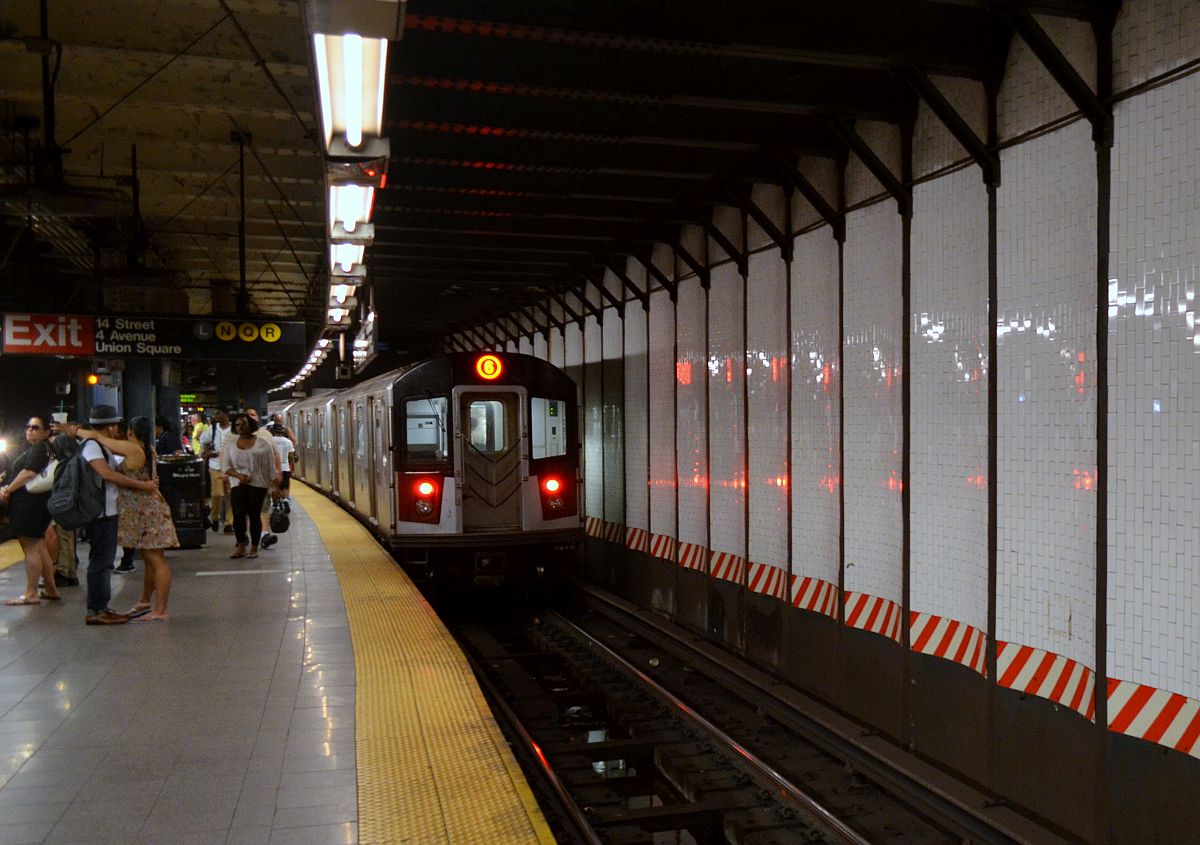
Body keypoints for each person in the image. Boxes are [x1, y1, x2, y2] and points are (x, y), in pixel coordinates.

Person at [82, 417, 178, 622]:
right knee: (151, 558)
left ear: (131, 432)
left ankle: (161, 610)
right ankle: (145, 601)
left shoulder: (133, 449)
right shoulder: (147, 448)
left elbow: (99, 439)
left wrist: (76, 431)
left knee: (156, 560)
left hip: (144, 511)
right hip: (148, 509)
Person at [75, 405, 156, 626]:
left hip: (107, 510)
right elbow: (106, 474)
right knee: (101, 562)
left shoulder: (99, 445)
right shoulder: (92, 446)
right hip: (101, 512)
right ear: (111, 426)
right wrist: (142, 485)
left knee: (104, 560)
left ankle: (101, 606)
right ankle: (96, 609)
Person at [0, 414, 61, 606]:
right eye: (28, 426)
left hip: (30, 505)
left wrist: (8, 490)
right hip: (36, 504)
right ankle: (51, 588)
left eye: (35, 427)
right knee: (40, 546)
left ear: (46, 431)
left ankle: (31, 593)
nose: (29, 430)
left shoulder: (40, 448)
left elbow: (28, 473)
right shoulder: (44, 448)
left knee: (31, 548)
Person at [220, 412, 279, 559]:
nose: (240, 427)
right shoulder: (231, 445)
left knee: (254, 515)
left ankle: (254, 546)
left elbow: (270, 467)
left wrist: (274, 487)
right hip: (238, 484)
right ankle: (241, 544)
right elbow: (226, 466)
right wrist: (239, 476)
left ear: (251, 425)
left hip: (259, 485)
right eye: (237, 425)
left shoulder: (263, 444)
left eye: (243, 424)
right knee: (238, 515)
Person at [50, 433, 81, 588]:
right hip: (73, 506)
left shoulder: (62, 464)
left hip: (63, 505)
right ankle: (71, 573)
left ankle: (62, 572)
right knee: (68, 538)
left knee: (63, 538)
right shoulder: (76, 461)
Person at [200, 407, 232, 534]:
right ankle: (215, 517)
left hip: (231, 467)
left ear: (226, 414)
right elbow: (203, 442)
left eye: (218, 413)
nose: (216, 416)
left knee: (231, 496)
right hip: (215, 466)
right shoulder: (212, 429)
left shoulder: (234, 430)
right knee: (217, 494)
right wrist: (207, 452)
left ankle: (229, 523)